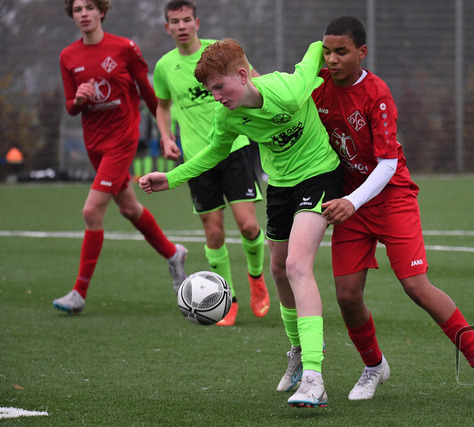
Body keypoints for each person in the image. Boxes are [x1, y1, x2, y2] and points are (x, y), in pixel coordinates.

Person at [311, 16, 474, 409]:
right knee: (347, 296)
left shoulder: (377, 93)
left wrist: (353, 200)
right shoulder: (316, 86)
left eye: (341, 52)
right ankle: (374, 366)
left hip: (391, 198)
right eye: (327, 51)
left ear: (361, 52)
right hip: (351, 203)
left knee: (416, 286)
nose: (332, 59)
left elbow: (387, 163)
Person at [139, 39, 342, 408]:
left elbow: (313, 51)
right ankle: (298, 352)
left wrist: (328, 46)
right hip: (280, 185)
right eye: (210, 90)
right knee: (278, 270)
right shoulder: (228, 116)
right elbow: (215, 152)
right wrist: (170, 178)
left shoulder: (288, 89)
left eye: (220, 87)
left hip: (319, 176)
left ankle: (315, 377)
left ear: (244, 75)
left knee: (297, 266)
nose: (216, 97)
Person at [54, 0, 187, 315]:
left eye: (89, 7)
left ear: (101, 11)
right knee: (129, 208)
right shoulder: (67, 56)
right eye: (77, 9)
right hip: (94, 144)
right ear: (72, 15)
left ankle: (79, 294)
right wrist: (79, 99)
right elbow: (71, 107)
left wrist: (166, 136)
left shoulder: (125, 48)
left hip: (122, 140)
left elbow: (150, 95)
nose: (84, 14)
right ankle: (173, 254)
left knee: (91, 211)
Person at [154, 0, 269, 326]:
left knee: (248, 226)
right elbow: (162, 106)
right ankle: (226, 299)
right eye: (175, 21)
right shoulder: (164, 67)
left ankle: (256, 277)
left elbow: (255, 81)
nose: (181, 26)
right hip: (197, 158)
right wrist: (166, 136)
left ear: (197, 22)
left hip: (235, 149)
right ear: (167, 27)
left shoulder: (218, 54)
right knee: (214, 234)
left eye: (186, 19)